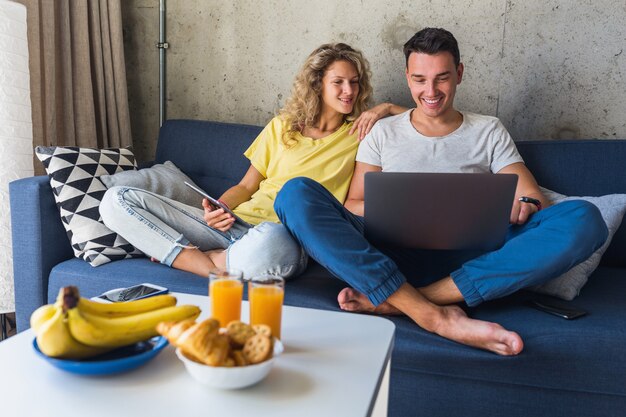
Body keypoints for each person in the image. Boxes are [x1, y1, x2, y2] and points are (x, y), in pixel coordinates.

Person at [274, 28, 608, 355]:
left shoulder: (488, 129)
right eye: (420, 79)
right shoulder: (382, 132)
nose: (430, 90)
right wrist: (410, 210)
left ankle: (414, 300)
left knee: (585, 218)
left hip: (475, 255)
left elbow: (536, 200)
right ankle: (433, 317)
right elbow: (354, 204)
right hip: (391, 252)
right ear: (407, 77)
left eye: (442, 78)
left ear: (459, 73)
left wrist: (523, 205)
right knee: (294, 194)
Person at [100, 43, 401, 280]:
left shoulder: (362, 133)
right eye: (339, 82)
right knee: (116, 199)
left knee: (273, 239)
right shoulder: (283, 126)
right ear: (318, 84)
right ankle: (211, 265)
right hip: (234, 226)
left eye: (355, 82)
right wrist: (220, 208)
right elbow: (246, 186)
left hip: (283, 238)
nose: (349, 91)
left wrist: (385, 108)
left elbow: (423, 121)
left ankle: (188, 257)